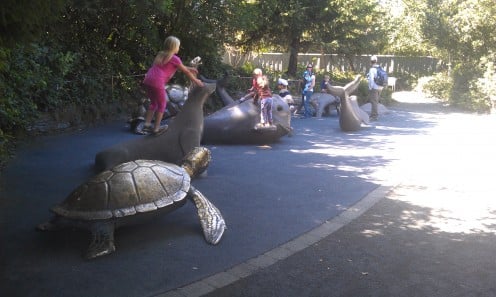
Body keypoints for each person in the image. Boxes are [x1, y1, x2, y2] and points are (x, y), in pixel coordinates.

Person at [141, 36, 204, 135]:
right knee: (162, 104)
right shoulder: (175, 58)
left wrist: (189, 68)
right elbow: (186, 72)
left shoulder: (161, 55)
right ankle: (156, 129)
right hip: (158, 82)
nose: (179, 48)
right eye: (178, 46)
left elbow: (178, 67)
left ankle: (147, 125)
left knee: (153, 103)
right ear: (174, 47)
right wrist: (196, 80)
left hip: (148, 80)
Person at [367, 55, 382, 121]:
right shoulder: (380, 68)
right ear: (376, 61)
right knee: (376, 101)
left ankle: (374, 116)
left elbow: (371, 80)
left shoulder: (372, 69)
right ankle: (375, 115)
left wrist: (370, 87)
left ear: (370, 62)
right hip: (380, 87)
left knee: (373, 102)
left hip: (374, 87)